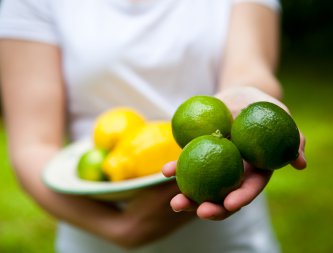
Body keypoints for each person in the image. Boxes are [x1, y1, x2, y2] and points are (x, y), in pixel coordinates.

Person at [0, 0, 306, 252]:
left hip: (230, 226)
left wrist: (249, 98)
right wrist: (119, 229)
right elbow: (33, 145)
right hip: (96, 234)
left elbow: (250, 68)